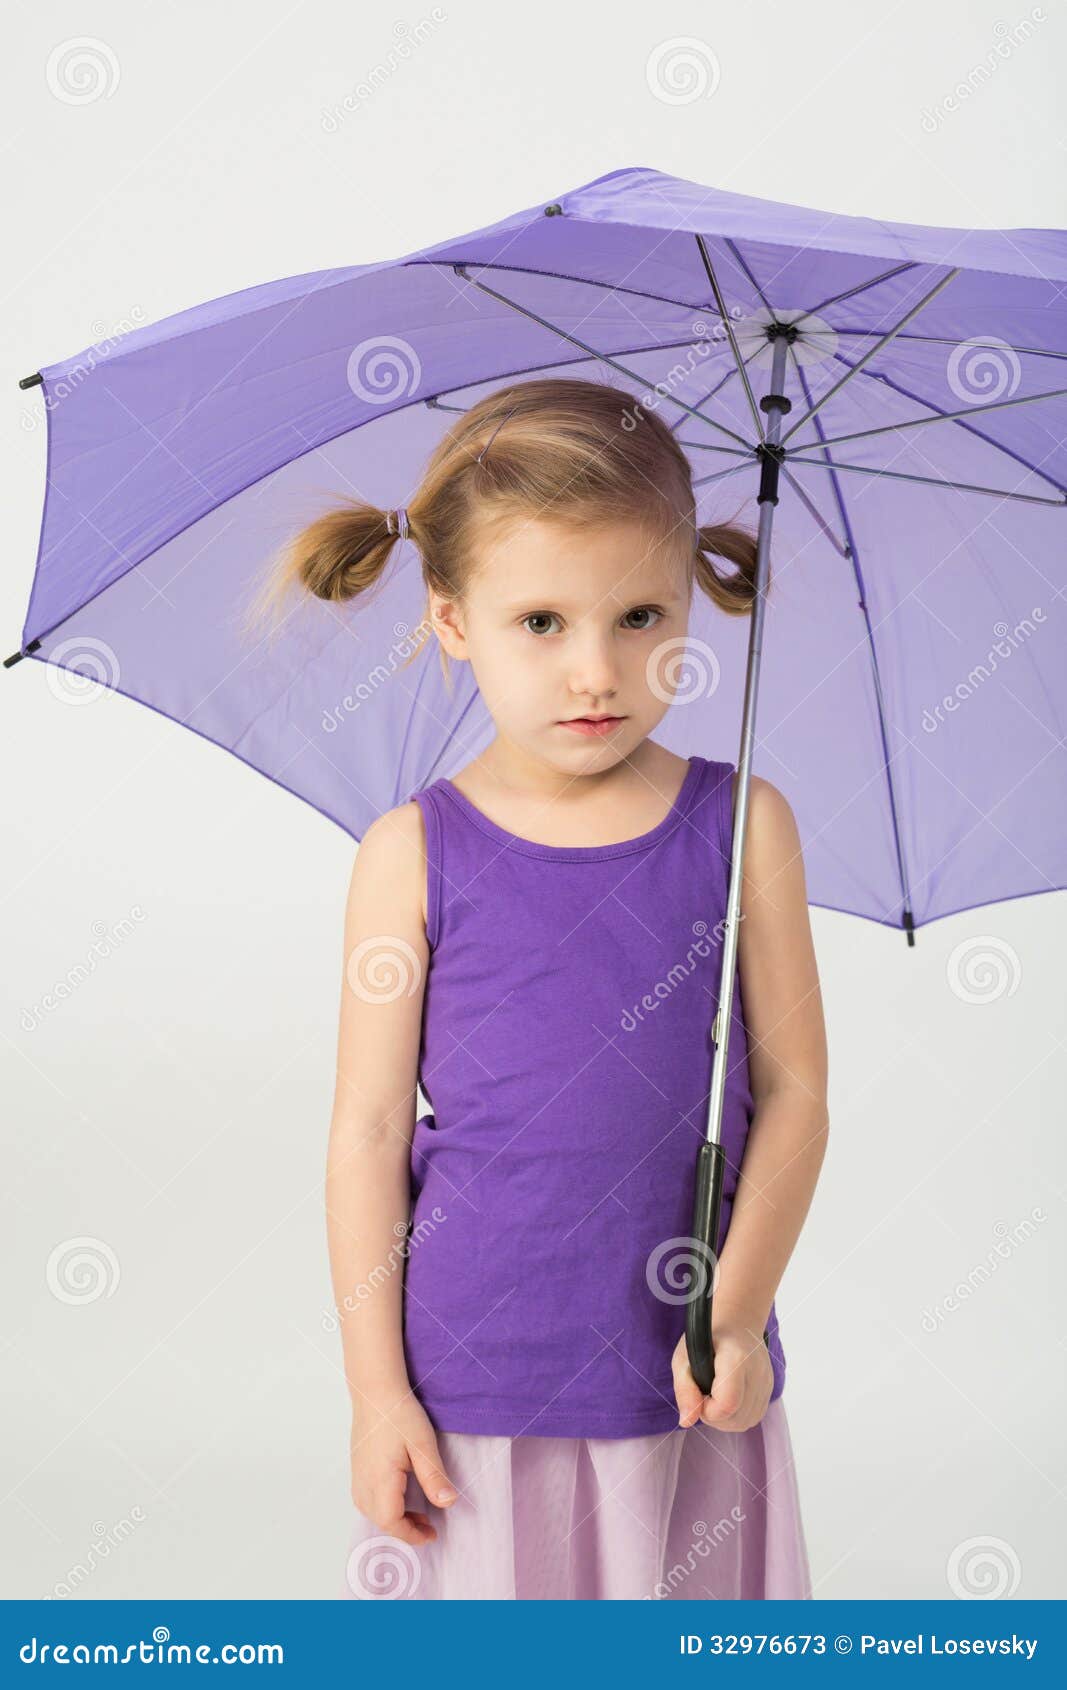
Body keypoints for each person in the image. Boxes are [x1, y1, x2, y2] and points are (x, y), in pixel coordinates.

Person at [259, 377, 829, 1600]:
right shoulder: (410, 852)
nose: (595, 671)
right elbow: (365, 1134)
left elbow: (793, 1098)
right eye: (540, 624)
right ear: (452, 618)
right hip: (473, 1381)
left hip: (681, 1375)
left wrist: (732, 1313)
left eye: (638, 615)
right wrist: (374, 1394)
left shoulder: (744, 829)